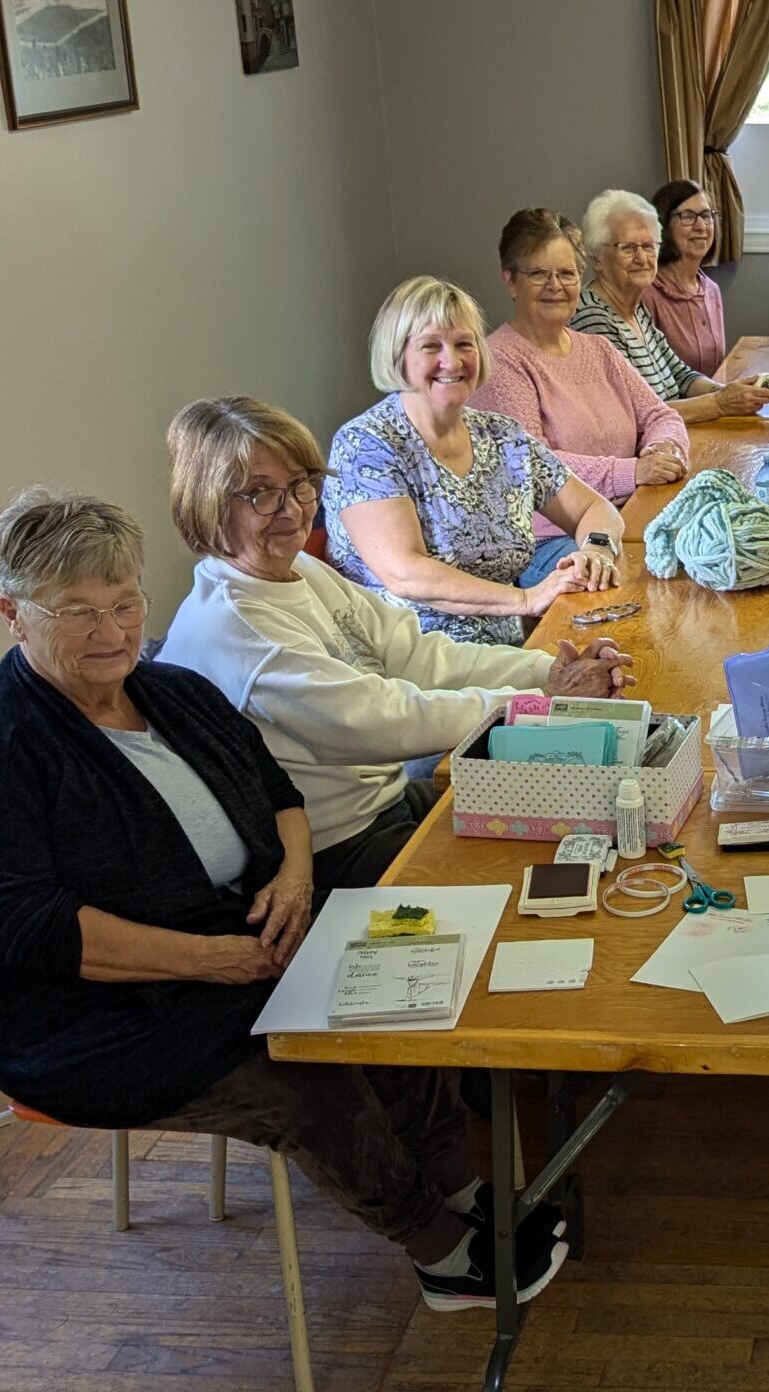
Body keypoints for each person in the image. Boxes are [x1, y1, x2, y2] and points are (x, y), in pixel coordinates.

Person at [0, 489, 568, 1311]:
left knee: (394, 980)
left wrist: (295, 876)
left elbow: (279, 793)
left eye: (125, 603)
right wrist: (212, 961)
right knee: (300, 1068)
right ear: (13, 613)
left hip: (244, 939)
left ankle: (461, 1186)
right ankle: (439, 1248)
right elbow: (30, 928)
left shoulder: (170, 691)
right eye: (78, 613)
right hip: (95, 1015)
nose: (112, 632)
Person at [160, 396, 637, 892]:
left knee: (593, 828)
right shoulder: (236, 627)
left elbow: (419, 653)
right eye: (262, 494)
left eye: (301, 484)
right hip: (335, 849)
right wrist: (539, 702)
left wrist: (544, 670)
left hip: (389, 804)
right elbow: (376, 720)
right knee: (548, 880)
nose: (294, 509)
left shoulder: (296, 569)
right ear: (209, 502)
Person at [322, 276, 623, 646]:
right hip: (410, 656)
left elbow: (593, 507)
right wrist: (526, 599)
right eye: (431, 346)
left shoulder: (502, 435)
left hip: (506, 651)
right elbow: (405, 574)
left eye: (464, 344)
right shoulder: (366, 444)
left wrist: (595, 551)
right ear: (398, 356)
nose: (452, 361)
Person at [469, 208, 690, 586]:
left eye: (567, 273)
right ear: (510, 281)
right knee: (643, 591)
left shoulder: (599, 349)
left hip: (626, 514)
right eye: (538, 274)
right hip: (550, 540)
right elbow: (533, 464)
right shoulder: (499, 362)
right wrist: (632, 472)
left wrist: (663, 449)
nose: (555, 285)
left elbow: (661, 415)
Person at [572, 189, 769, 422]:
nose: (642, 258)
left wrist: (730, 392)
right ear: (597, 258)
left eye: (649, 246)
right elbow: (635, 415)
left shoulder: (634, 309)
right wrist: (721, 403)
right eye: (627, 248)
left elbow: (681, 376)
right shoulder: (594, 320)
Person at [644, 178, 729, 375]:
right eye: (688, 216)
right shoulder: (647, 294)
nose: (701, 226)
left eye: (706, 215)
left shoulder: (712, 290)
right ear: (663, 225)